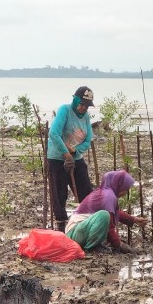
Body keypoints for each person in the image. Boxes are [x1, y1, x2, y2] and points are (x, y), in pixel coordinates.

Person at [47, 86, 95, 232]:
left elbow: (88, 140)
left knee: (85, 189)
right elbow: (54, 133)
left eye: (86, 106)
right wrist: (65, 154)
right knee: (59, 192)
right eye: (81, 104)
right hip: (57, 158)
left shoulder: (85, 117)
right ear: (75, 100)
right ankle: (61, 226)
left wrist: (75, 151)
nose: (83, 108)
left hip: (76, 157)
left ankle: (86, 222)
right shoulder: (65, 110)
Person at [65, 170, 147, 253]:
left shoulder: (105, 193)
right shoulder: (109, 196)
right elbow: (109, 226)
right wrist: (118, 245)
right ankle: (92, 247)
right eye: (126, 189)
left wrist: (134, 219)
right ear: (119, 185)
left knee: (105, 215)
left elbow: (116, 212)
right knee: (104, 216)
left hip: (77, 232)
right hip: (74, 234)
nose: (126, 193)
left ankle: (93, 245)